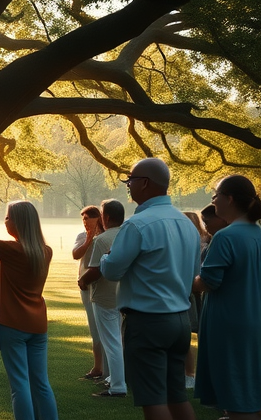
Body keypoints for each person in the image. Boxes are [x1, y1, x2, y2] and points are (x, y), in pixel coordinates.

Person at [99, 157, 199, 420]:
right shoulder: (186, 223)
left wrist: (106, 257)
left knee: (153, 399)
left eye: (130, 180)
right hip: (180, 319)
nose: (128, 185)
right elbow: (194, 275)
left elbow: (111, 271)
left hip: (148, 321)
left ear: (144, 183)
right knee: (176, 396)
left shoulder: (137, 224)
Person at [0, 171, 57, 420]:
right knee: (41, 384)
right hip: (38, 323)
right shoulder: (45, 251)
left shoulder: (13, 250)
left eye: (7, 218)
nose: (5, 222)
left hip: (13, 323)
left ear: (17, 223)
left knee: (19, 385)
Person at [194, 175, 261, 420]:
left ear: (229, 199)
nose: (213, 200)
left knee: (236, 395)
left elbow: (208, 282)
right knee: (252, 389)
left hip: (230, 324)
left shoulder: (225, 236)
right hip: (253, 319)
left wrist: (184, 281)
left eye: (216, 195)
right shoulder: (257, 233)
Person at [77, 199, 126, 397]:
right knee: (118, 339)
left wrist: (83, 281)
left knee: (111, 342)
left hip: (104, 296)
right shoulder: (127, 235)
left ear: (106, 217)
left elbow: (96, 270)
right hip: (123, 294)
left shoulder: (102, 239)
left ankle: (118, 385)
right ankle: (113, 378)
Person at [73, 206, 105, 381]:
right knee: (93, 326)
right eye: (83, 220)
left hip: (102, 286)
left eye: (88, 219)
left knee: (105, 327)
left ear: (98, 218)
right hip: (86, 287)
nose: (85, 223)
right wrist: (87, 239)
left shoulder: (105, 237)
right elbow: (76, 254)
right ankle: (98, 366)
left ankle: (107, 368)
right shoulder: (81, 236)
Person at [182, 211, 207, 390]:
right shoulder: (195, 240)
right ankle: (189, 373)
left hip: (194, 290)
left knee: (190, 334)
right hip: (191, 289)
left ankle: (191, 373)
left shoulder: (203, 241)